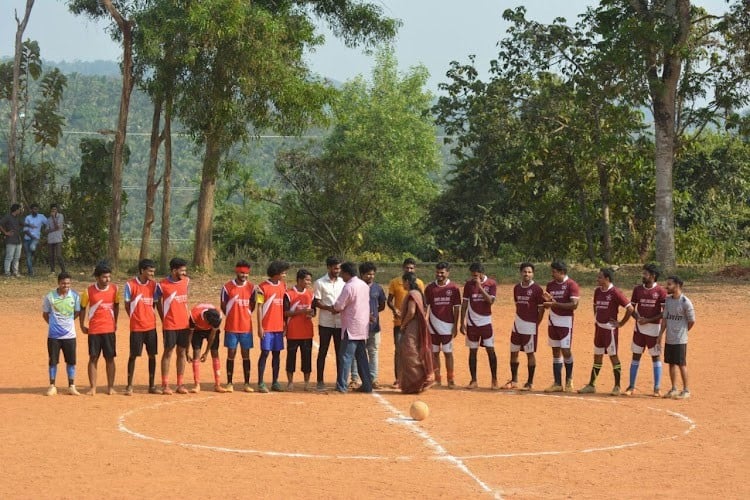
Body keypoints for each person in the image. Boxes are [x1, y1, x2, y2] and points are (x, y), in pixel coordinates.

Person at [578, 268, 634, 395]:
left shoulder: (615, 292)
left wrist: (621, 323)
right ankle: (591, 385)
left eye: (600, 277)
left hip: (609, 330)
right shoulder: (597, 291)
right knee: (597, 356)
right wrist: (596, 317)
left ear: (607, 279)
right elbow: (595, 305)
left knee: (613, 356)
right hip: (599, 328)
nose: (597, 279)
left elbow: (630, 308)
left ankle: (617, 386)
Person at [624, 264, 668, 397]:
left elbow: (664, 312)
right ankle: (631, 386)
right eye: (643, 273)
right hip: (639, 329)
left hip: (654, 329)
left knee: (655, 357)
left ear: (653, 276)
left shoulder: (660, 291)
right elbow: (631, 308)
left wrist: (648, 320)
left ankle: (657, 388)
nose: (643, 276)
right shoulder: (637, 290)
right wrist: (638, 318)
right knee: (635, 355)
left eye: (646, 274)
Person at [502, 262, 545, 391]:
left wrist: (535, 324)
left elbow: (541, 310)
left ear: (533, 274)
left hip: (530, 325)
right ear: (521, 273)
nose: (527, 274)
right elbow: (517, 305)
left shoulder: (537, 289)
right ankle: (514, 380)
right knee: (513, 352)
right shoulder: (516, 288)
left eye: (529, 272)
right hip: (517, 324)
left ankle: (530, 382)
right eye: (525, 272)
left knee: (529, 353)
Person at [79, 262, 119, 395]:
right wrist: (82, 325)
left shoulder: (115, 289)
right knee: (93, 358)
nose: (107, 279)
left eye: (109, 277)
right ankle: (93, 387)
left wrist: (115, 322)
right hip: (94, 330)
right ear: (97, 277)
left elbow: (117, 306)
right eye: (104, 277)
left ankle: (110, 387)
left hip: (109, 330)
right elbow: (83, 308)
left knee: (110, 358)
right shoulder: (88, 291)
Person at [333, 262, 373, 393]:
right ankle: (367, 385)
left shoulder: (349, 287)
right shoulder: (364, 285)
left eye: (342, 273)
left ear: (346, 273)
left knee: (345, 357)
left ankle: (341, 386)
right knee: (362, 357)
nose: (341, 276)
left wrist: (332, 308)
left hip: (351, 327)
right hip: (362, 326)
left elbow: (339, 306)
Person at [541, 261, 580, 393]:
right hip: (552, 320)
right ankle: (557, 383)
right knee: (555, 351)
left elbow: (574, 305)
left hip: (565, 321)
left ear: (562, 272)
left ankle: (569, 380)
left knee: (566, 350)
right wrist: (547, 303)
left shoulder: (571, 285)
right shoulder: (550, 285)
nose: (552, 274)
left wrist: (555, 304)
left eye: (554, 272)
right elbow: (548, 304)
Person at [387, 258, 425, 389]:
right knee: (399, 351)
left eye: (412, 268)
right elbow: (389, 301)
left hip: (410, 324)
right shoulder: (395, 282)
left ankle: (413, 379)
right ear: (403, 267)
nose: (409, 270)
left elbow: (420, 305)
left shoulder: (419, 283)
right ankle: (399, 379)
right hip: (398, 323)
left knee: (412, 351)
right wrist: (395, 310)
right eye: (407, 268)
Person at [42, 271, 82, 396]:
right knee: (53, 361)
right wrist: (54, 324)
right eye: (64, 283)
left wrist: (67, 322)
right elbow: (45, 314)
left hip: (70, 336)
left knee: (71, 361)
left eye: (68, 283)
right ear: (58, 283)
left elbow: (77, 312)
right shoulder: (50, 296)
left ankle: (71, 386)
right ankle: (52, 386)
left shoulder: (75, 296)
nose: (66, 286)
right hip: (53, 336)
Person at [460, 262, 498, 389]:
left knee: (490, 350)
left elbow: (490, 301)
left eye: (476, 275)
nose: (474, 277)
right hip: (472, 324)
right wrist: (462, 322)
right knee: (472, 351)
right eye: (472, 275)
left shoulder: (491, 284)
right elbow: (464, 304)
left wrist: (479, 286)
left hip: (486, 323)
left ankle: (494, 380)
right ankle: (473, 380)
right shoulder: (468, 285)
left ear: (482, 273)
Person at [221, 260, 257, 393]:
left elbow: (252, 304)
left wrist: (245, 314)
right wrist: (232, 315)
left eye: (247, 273)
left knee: (246, 354)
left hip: (246, 327)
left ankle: (246, 383)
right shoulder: (227, 287)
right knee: (231, 353)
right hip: (231, 327)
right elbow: (223, 305)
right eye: (242, 272)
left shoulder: (252, 288)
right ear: (236, 271)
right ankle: (229, 383)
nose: (244, 275)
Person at [156, 257, 191, 395]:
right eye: (182, 270)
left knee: (182, 352)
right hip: (170, 324)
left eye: (185, 270)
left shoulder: (186, 281)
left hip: (184, 324)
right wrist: (163, 317)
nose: (184, 273)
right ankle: (165, 385)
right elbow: (157, 301)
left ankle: (180, 384)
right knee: (168, 352)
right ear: (174, 270)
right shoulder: (162, 285)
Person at [124, 259, 159, 395]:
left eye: (153, 271)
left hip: (151, 326)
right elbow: (127, 305)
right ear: (142, 270)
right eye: (150, 271)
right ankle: (129, 385)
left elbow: (155, 303)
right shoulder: (130, 285)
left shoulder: (154, 285)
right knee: (133, 355)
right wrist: (135, 317)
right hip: (137, 327)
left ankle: (151, 385)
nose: (152, 273)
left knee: (152, 355)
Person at [424, 262, 461, 388]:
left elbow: (457, 309)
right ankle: (437, 379)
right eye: (437, 272)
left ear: (448, 273)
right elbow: (426, 307)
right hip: (432, 327)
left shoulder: (454, 288)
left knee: (448, 353)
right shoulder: (429, 288)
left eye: (442, 272)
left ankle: (450, 379)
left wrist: (455, 326)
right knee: (434, 353)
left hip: (447, 327)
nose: (439, 275)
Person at [349, 262, 386, 389]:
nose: (370, 276)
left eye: (372, 274)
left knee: (373, 351)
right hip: (358, 325)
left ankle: (373, 378)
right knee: (356, 352)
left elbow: (381, 305)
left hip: (373, 326)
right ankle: (355, 378)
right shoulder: (356, 287)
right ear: (361, 274)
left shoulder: (378, 288)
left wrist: (373, 314)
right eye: (367, 274)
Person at [659, 276, 696, 399]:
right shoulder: (668, 300)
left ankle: (686, 390)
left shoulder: (685, 302)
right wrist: (660, 335)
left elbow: (691, 321)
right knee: (671, 363)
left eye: (669, 284)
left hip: (680, 339)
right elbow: (664, 319)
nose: (666, 287)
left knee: (681, 363)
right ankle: (674, 388)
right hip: (669, 338)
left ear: (677, 285)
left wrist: (683, 331)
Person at [397, 271, 434, 394]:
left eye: (403, 282)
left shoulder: (412, 294)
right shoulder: (418, 293)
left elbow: (411, 311)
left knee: (410, 353)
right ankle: (417, 382)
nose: (403, 284)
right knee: (416, 351)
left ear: (407, 281)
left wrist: (403, 324)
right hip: (418, 326)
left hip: (412, 326)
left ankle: (418, 381)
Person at [256, 260, 289, 393]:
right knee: (265, 353)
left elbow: (284, 307)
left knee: (277, 354)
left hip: (278, 327)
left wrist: (285, 324)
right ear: (276, 273)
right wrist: (259, 327)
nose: (285, 275)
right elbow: (259, 308)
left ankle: (275, 381)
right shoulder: (261, 287)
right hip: (267, 327)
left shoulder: (283, 285)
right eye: (283, 272)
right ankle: (260, 382)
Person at [313, 256, 344, 391]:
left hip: (340, 323)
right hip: (326, 322)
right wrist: (329, 308)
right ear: (329, 267)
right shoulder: (320, 282)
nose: (337, 270)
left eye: (339, 268)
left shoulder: (343, 282)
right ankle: (320, 380)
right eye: (335, 268)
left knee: (340, 353)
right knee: (323, 351)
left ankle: (339, 381)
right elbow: (317, 301)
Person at [284, 269, 316, 391]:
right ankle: (290, 382)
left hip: (307, 331)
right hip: (293, 331)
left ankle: (306, 383)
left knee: (306, 357)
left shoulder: (311, 294)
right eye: (307, 280)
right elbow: (286, 313)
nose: (309, 282)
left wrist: (311, 314)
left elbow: (314, 312)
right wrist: (302, 311)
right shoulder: (289, 294)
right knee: (291, 357)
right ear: (299, 280)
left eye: (310, 280)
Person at [187, 304, 226, 393]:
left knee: (215, 352)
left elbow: (212, 335)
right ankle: (197, 385)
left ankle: (217, 384)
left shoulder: (218, 316)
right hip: (197, 331)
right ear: (205, 318)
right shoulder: (194, 315)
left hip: (210, 333)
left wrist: (206, 352)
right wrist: (187, 350)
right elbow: (190, 334)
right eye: (211, 324)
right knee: (196, 354)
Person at [22, 202, 47, 276]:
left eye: (37, 209)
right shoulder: (28, 217)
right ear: (31, 210)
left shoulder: (41, 216)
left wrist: (46, 231)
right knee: (28, 257)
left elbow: (48, 223)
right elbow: (25, 230)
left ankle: (33, 254)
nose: (36, 210)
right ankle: (30, 272)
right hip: (27, 239)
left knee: (32, 248)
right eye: (34, 209)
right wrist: (32, 236)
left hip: (35, 239)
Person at [1, 203, 23, 277]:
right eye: (19, 209)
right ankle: (7, 273)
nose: (20, 210)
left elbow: (23, 224)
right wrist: (5, 233)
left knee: (17, 257)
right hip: (10, 240)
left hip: (18, 240)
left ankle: (15, 272)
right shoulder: (7, 217)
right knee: (9, 257)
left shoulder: (18, 217)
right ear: (16, 210)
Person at [46, 204, 65, 274]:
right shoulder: (48, 219)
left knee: (59, 255)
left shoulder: (61, 216)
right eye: (52, 210)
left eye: (55, 209)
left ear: (57, 210)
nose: (53, 211)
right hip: (50, 239)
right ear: (50, 210)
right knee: (51, 256)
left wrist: (54, 218)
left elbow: (58, 227)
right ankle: (52, 271)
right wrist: (54, 229)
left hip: (58, 239)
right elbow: (46, 230)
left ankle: (63, 271)